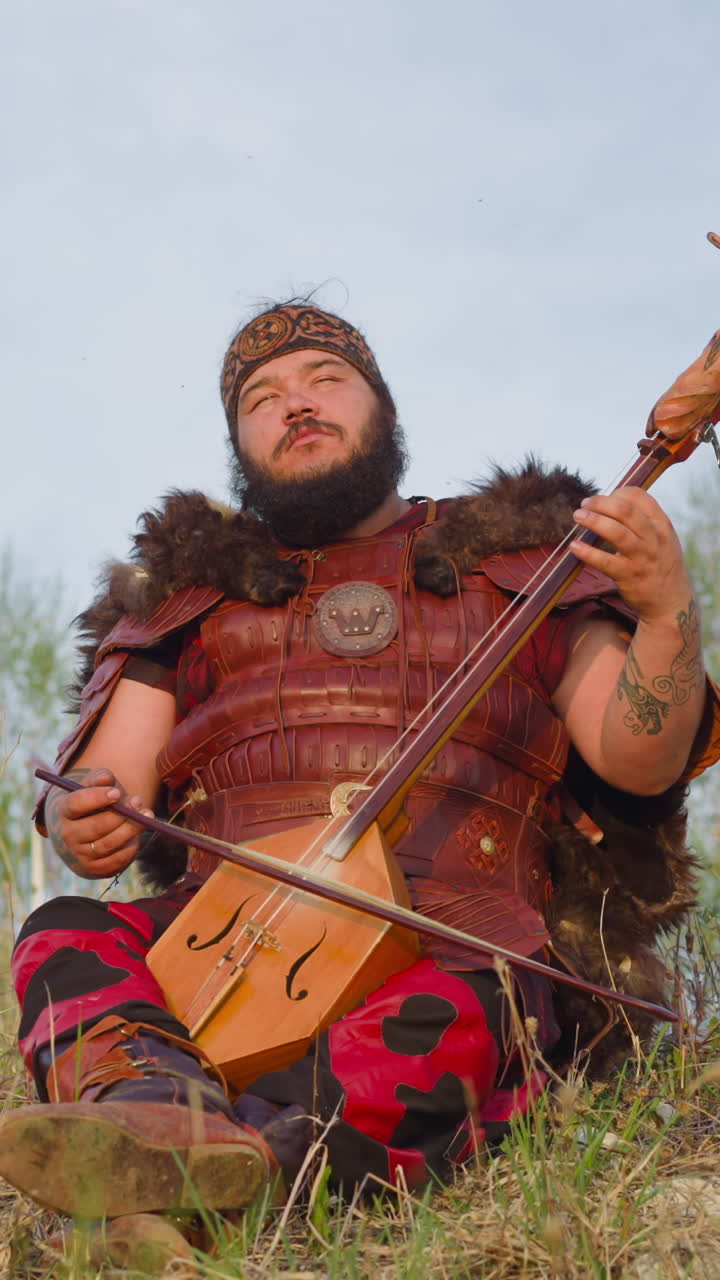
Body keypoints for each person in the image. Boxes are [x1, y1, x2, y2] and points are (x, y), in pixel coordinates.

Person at [2, 303, 719, 1256]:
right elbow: (101, 786)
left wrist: (667, 613)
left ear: (382, 407)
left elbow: (640, 758)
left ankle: (211, 1176)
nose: (296, 405)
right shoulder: (187, 599)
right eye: (262, 398)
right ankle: (153, 1108)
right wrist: (81, 815)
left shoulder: (524, 563)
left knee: (474, 1004)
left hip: (458, 941)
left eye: (324, 380)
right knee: (63, 932)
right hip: (228, 941)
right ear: (238, 444)